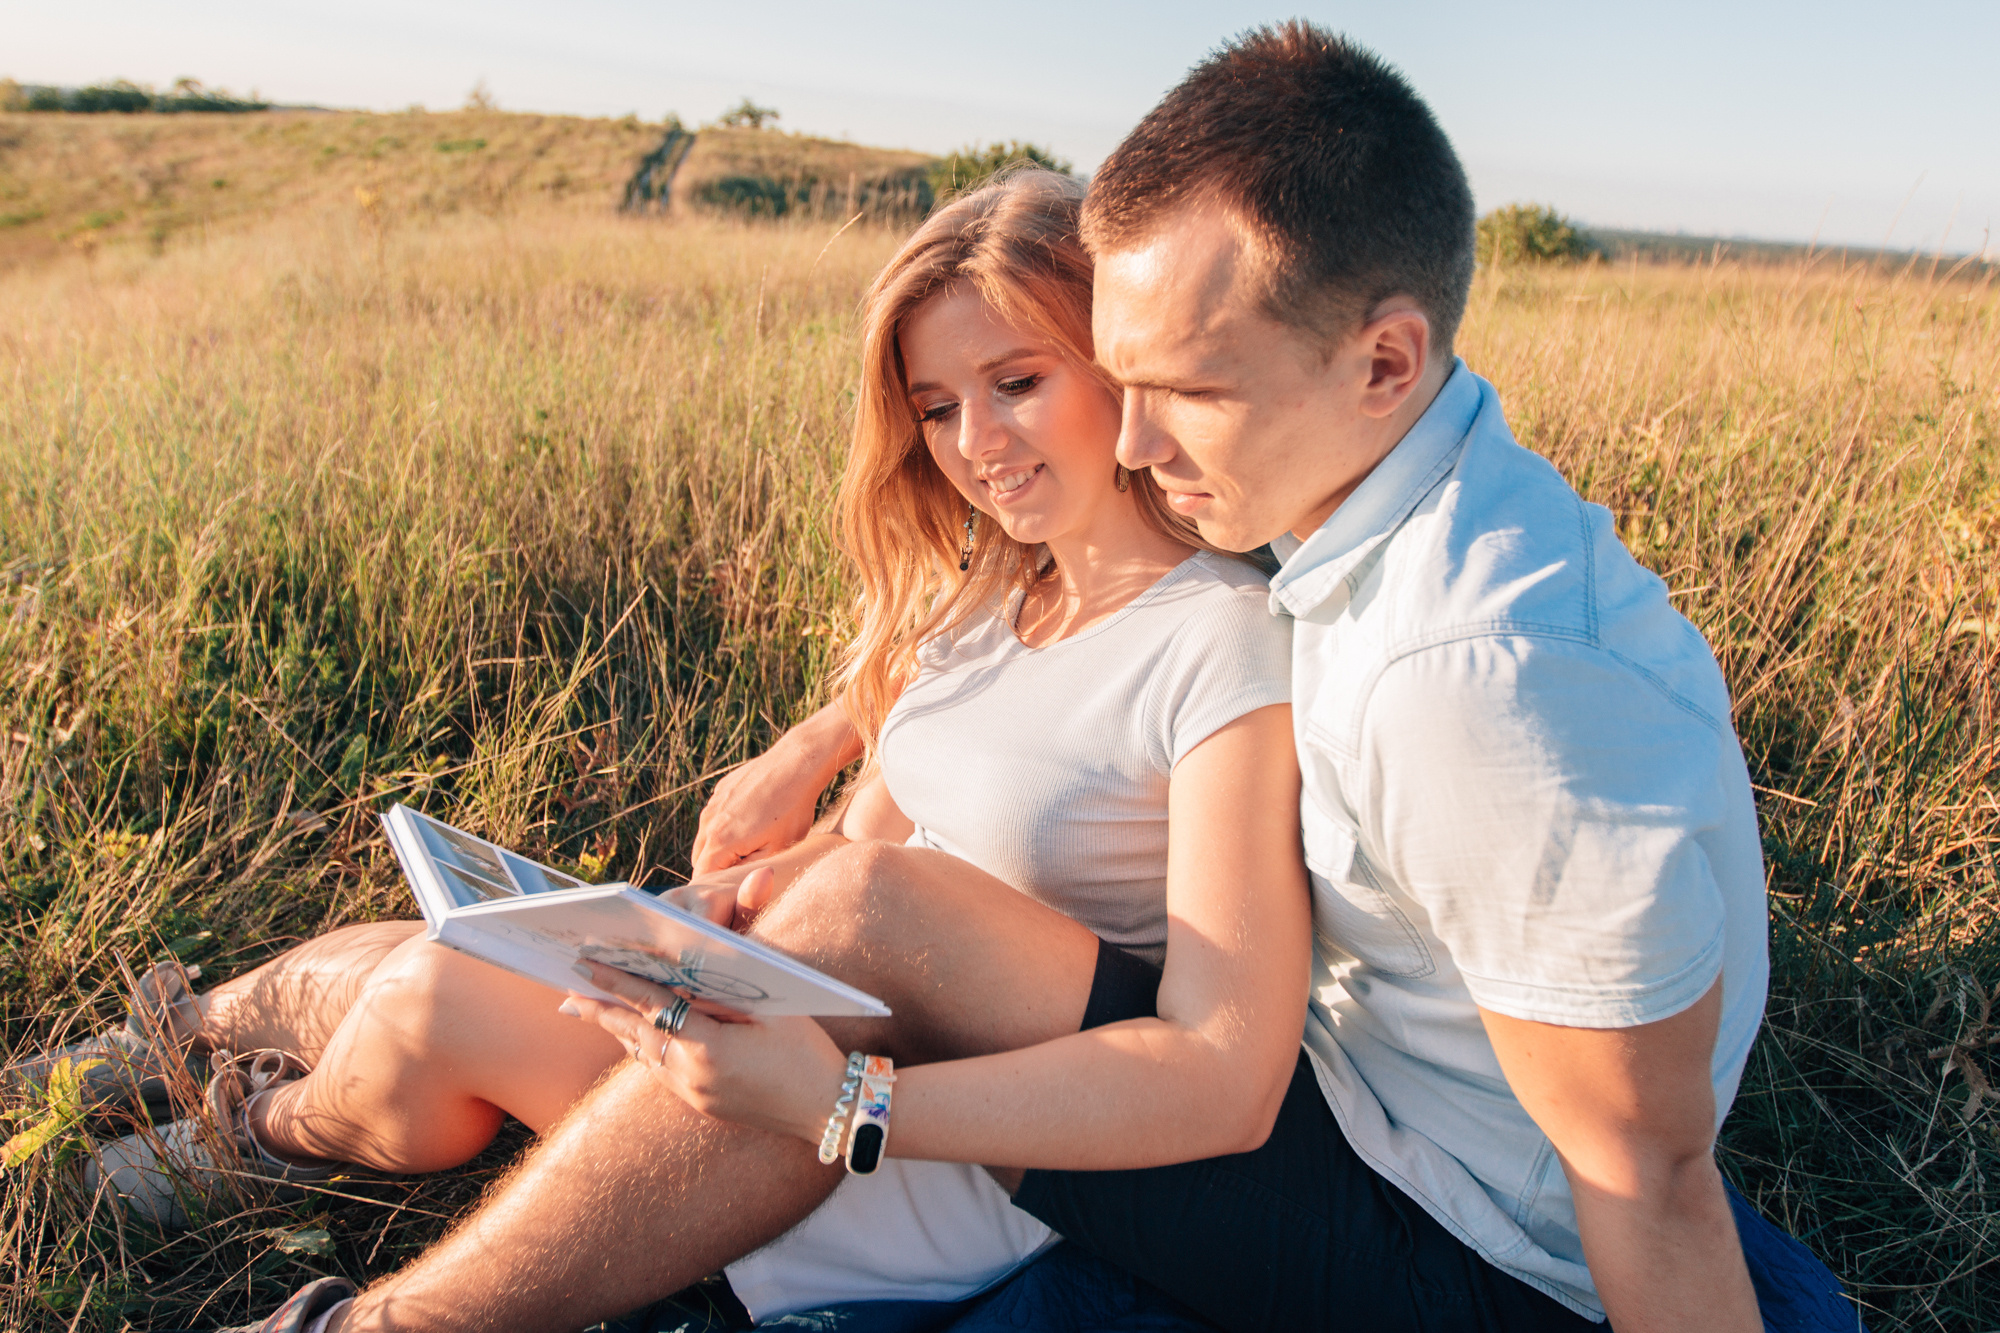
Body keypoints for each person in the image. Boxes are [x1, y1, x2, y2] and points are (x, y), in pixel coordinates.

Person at [201, 21, 1864, 1333]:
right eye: (1109, 383)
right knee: (561, 944)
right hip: (1326, 1104)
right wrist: (832, 729)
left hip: (1447, 1246)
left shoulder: (1468, 678)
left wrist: (849, 1101)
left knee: (818, 923)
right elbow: (1041, 652)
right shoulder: (1377, 498)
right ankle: (187, 1042)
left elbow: (1647, 1181)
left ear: (1385, 360)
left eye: (1165, 390)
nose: (1127, 442)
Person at [14, 170, 1308, 1327]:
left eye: (1017, 383)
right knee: (437, 950)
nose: (976, 445)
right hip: (808, 1025)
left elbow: (1209, 1046)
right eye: (936, 406)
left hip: (925, 1150)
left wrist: (835, 1086)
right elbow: (860, 854)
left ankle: (224, 1139)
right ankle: (158, 1044)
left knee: (433, 998)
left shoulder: (1223, 644)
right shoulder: (993, 595)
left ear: (1120, 364)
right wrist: (734, 877)